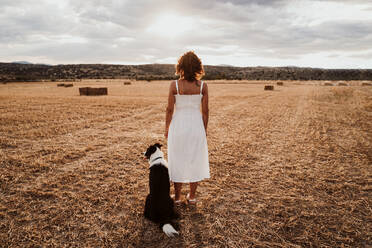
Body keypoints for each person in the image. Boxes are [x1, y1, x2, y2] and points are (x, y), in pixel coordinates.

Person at [165, 51, 210, 204]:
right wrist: (204, 130)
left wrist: (167, 128)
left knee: (177, 158)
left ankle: (177, 197)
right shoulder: (203, 86)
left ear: (180, 67)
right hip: (196, 125)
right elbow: (205, 111)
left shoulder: (174, 85)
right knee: (194, 159)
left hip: (178, 125)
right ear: (198, 67)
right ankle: (191, 196)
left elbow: (169, 110)